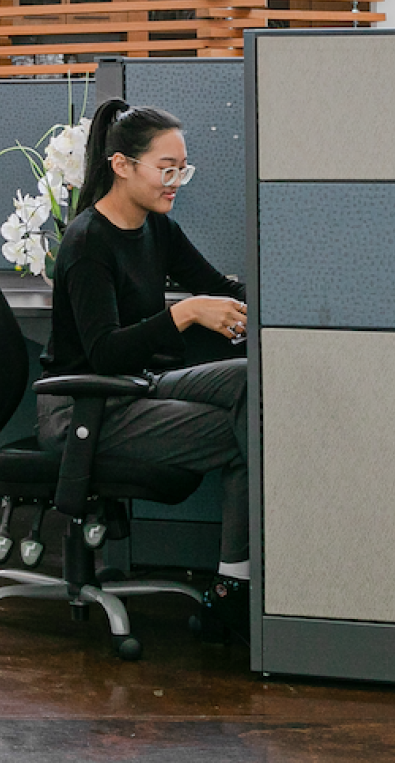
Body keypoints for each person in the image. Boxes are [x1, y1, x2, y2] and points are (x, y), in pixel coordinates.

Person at [43, 98, 253, 630]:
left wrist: (288, 304)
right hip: (86, 408)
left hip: (136, 388)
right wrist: (185, 314)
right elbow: (104, 353)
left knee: (251, 382)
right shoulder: (88, 242)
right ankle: (236, 589)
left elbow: (219, 286)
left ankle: (242, 585)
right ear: (122, 165)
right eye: (166, 169)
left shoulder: (156, 227)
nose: (175, 181)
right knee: (248, 431)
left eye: (182, 169)